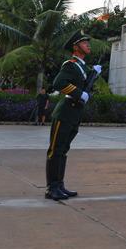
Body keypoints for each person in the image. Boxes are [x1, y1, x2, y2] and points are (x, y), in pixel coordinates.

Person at [45, 30, 101, 200]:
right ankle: (51, 188)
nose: (88, 45)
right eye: (84, 42)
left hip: (74, 112)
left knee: (63, 150)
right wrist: (78, 93)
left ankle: (59, 185)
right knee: (55, 150)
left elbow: (84, 83)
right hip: (65, 111)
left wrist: (93, 74)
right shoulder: (70, 64)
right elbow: (58, 83)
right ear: (75, 47)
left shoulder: (82, 66)